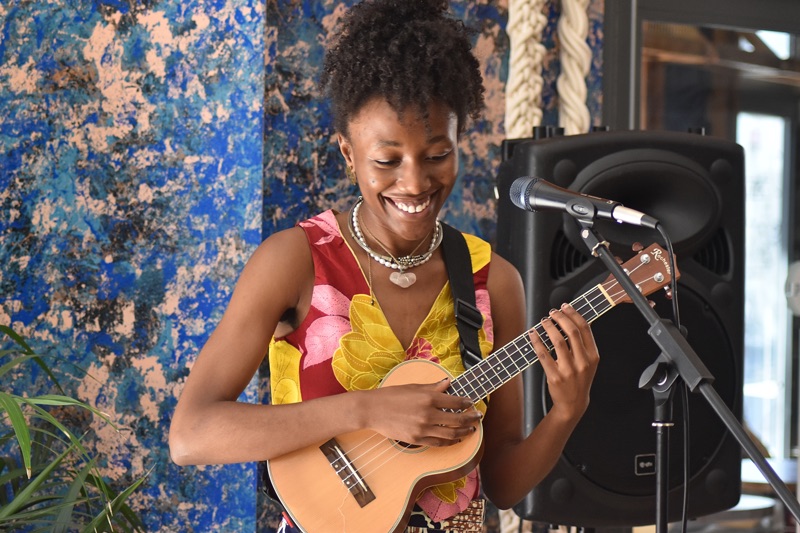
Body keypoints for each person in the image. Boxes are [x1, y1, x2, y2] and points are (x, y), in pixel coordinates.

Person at [169, 1, 600, 531]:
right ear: (349, 154)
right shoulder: (295, 260)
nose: (415, 183)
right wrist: (368, 410)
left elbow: (504, 484)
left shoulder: (494, 281)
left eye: (437, 154)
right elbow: (192, 434)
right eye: (387, 160)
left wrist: (565, 412)